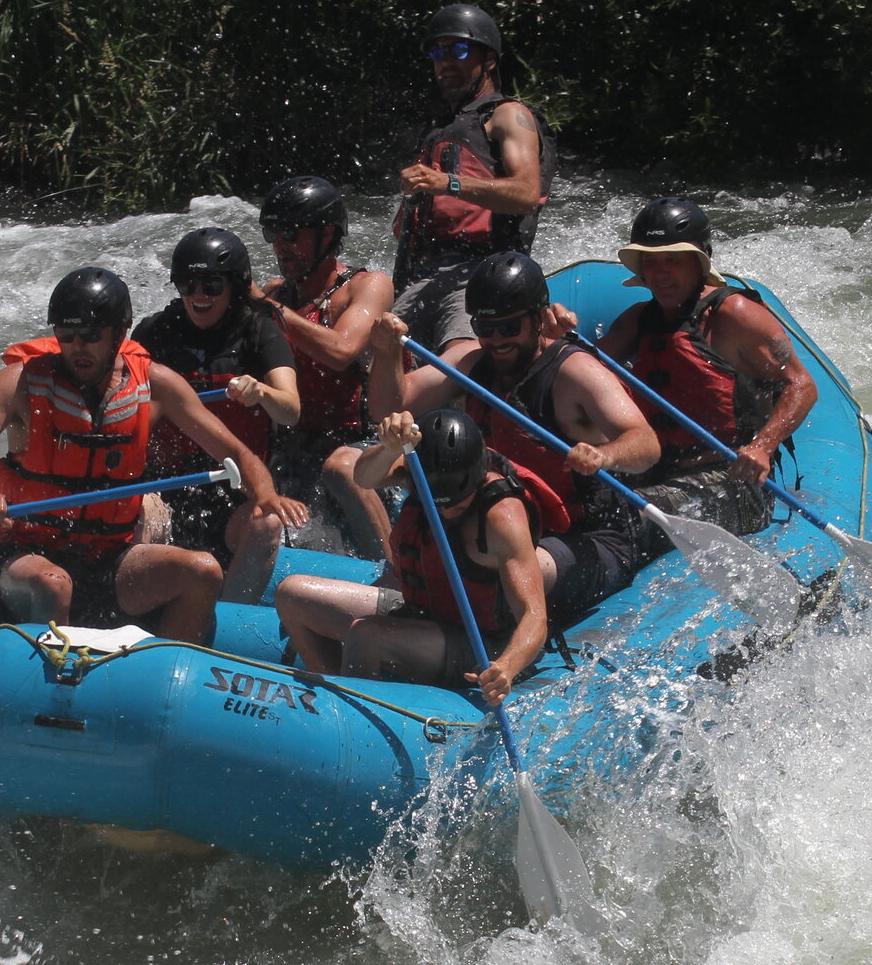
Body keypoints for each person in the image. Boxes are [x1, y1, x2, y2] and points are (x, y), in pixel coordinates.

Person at [0, 266, 296, 643]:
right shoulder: (20, 383)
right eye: (65, 334)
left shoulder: (156, 385)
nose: (76, 347)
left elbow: (237, 453)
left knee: (202, 570)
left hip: (108, 559)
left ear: (120, 333)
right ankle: (54, 686)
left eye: (90, 335)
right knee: (53, 585)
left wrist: (264, 495)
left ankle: (159, 679)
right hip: (25, 556)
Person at [370, 252, 661, 620]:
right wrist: (385, 352)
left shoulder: (575, 372)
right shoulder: (470, 361)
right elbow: (388, 409)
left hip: (587, 538)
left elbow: (646, 444)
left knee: (494, 570)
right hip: (505, 528)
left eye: (509, 328)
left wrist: (605, 455)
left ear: (539, 319)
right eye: (485, 328)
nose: (496, 340)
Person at [273, 410, 561, 704]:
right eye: (436, 504)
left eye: (457, 507)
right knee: (291, 595)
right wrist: (389, 447)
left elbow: (534, 616)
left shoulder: (502, 517)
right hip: (421, 614)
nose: (445, 512)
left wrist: (506, 668)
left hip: (480, 643)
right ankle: (339, 699)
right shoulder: (419, 473)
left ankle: (352, 716)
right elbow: (363, 476)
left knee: (365, 635)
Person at [594, 197, 818, 544]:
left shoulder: (734, 315)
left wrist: (763, 446)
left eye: (673, 261)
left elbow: (802, 385)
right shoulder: (637, 321)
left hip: (733, 483)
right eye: (651, 262)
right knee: (589, 502)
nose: (660, 273)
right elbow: (577, 369)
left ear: (699, 263)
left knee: (623, 513)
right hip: (657, 473)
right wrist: (552, 335)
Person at [131, 227, 309, 602]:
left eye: (211, 286)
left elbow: (290, 410)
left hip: (237, 491)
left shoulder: (260, 330)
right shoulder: (155, 332)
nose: (198, 296)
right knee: (137, 509)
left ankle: (229, 620)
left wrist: (260, 392)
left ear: (235, 287)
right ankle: (135, 610)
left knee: (267, 522)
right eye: (188, 284)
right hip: (168, 486)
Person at [389, 3, 548, 357]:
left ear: (489, 59)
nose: (445, 61)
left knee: (456, 356)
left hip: (480, 275)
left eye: (458, 50)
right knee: (377, 358)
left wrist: (448, 183)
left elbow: (526, 193)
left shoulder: (508, 115)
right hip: (423, 275)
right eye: (437, 52)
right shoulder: (437, 129)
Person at [250, 175, 395, 557]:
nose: (280, 246)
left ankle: (396, 573)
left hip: (361, 448)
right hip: (296, 449)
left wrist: (269, 310)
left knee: (338, 468)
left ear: (327, 235)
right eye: (272, 234)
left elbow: (342, 349)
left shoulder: (367, 286)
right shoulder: (274, 292)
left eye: (291, 234)